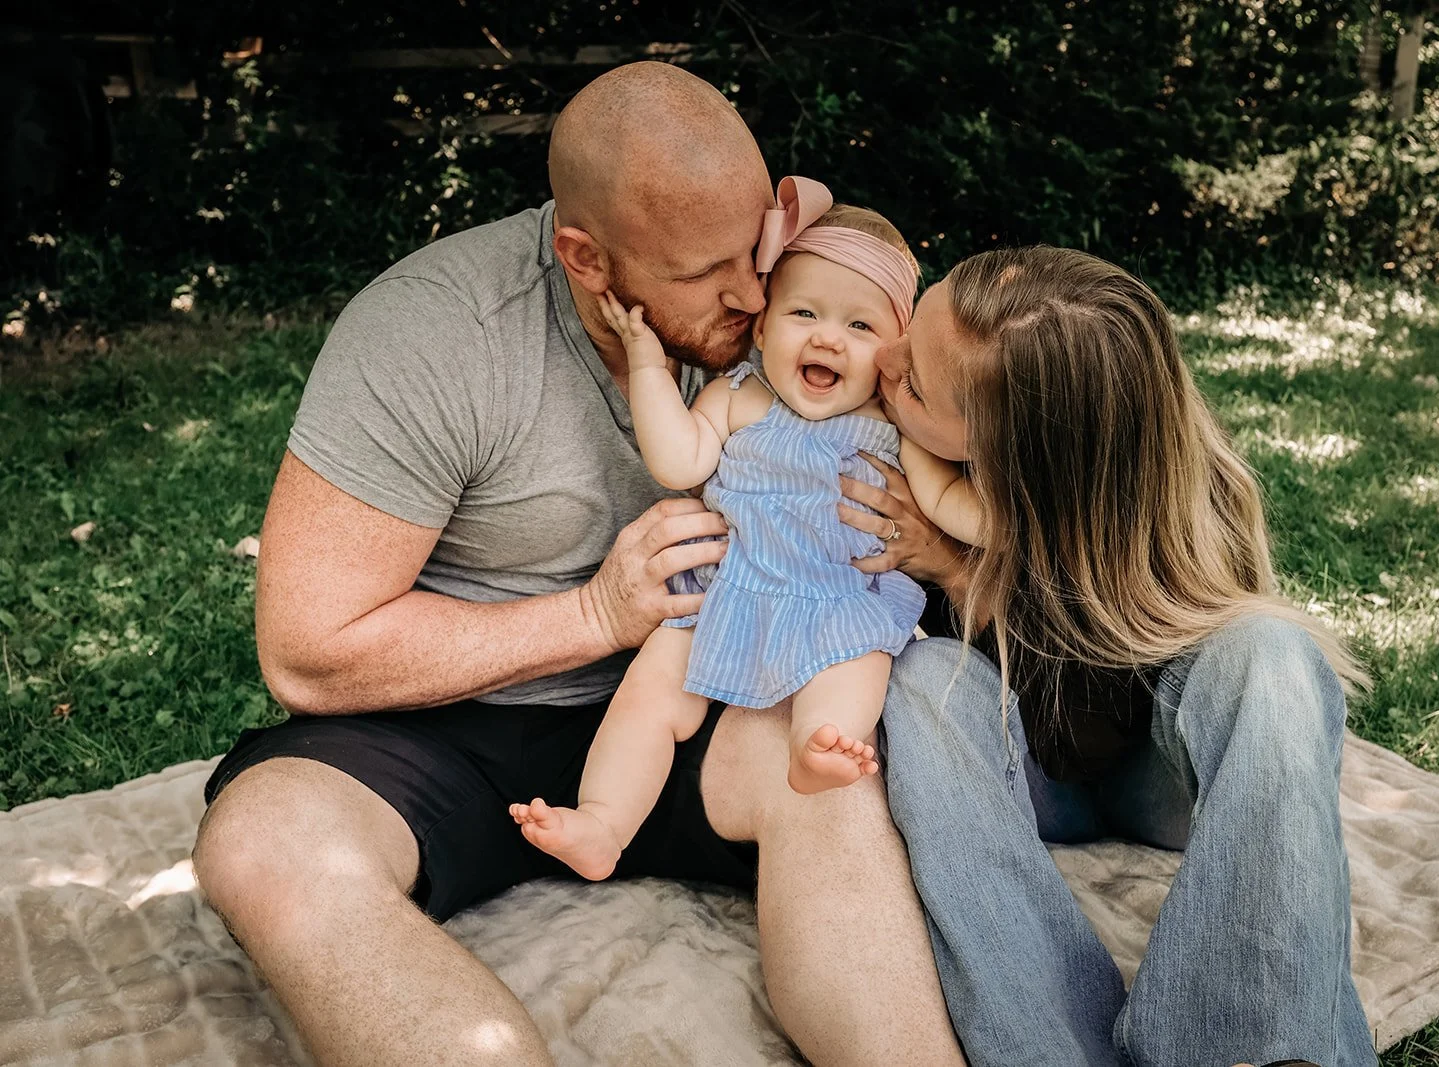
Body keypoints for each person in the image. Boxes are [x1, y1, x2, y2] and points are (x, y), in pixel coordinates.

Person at [189, 62, 964, 1067]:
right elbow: (308, 650)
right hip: (453, 725)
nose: (751, 294)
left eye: (756, 250)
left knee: (830, 779)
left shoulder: (790, 284)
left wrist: (932, 544)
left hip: (718, 675)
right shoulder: (435, 335)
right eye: (701, 272)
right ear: (587, 260)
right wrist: (596, 616)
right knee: (267, 842)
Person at [847, 245, 1379, 1066]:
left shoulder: (1181, 494)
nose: (881, 358)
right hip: (1020, 768)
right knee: (920, 681)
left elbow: (1088, 718)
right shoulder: (895, 451)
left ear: (1016, 454)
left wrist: (958, 570)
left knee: (1270, 651)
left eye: (912, 380)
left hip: (1152, 763)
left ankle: (1246, 1049)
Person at [513, 181, 984, 880]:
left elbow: (954, 504)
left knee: (856, 668)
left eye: (860, 327)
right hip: (724, 592)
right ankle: (603, 821)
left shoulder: (894, 428)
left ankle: (816, 748)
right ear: (762, 329)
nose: (828, 335)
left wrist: (1031, 509)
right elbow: (679, 458)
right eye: (803, 312)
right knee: (648, 695)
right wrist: (649, 367)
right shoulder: (739, 394)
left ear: (894, 351)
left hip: (838, 600)